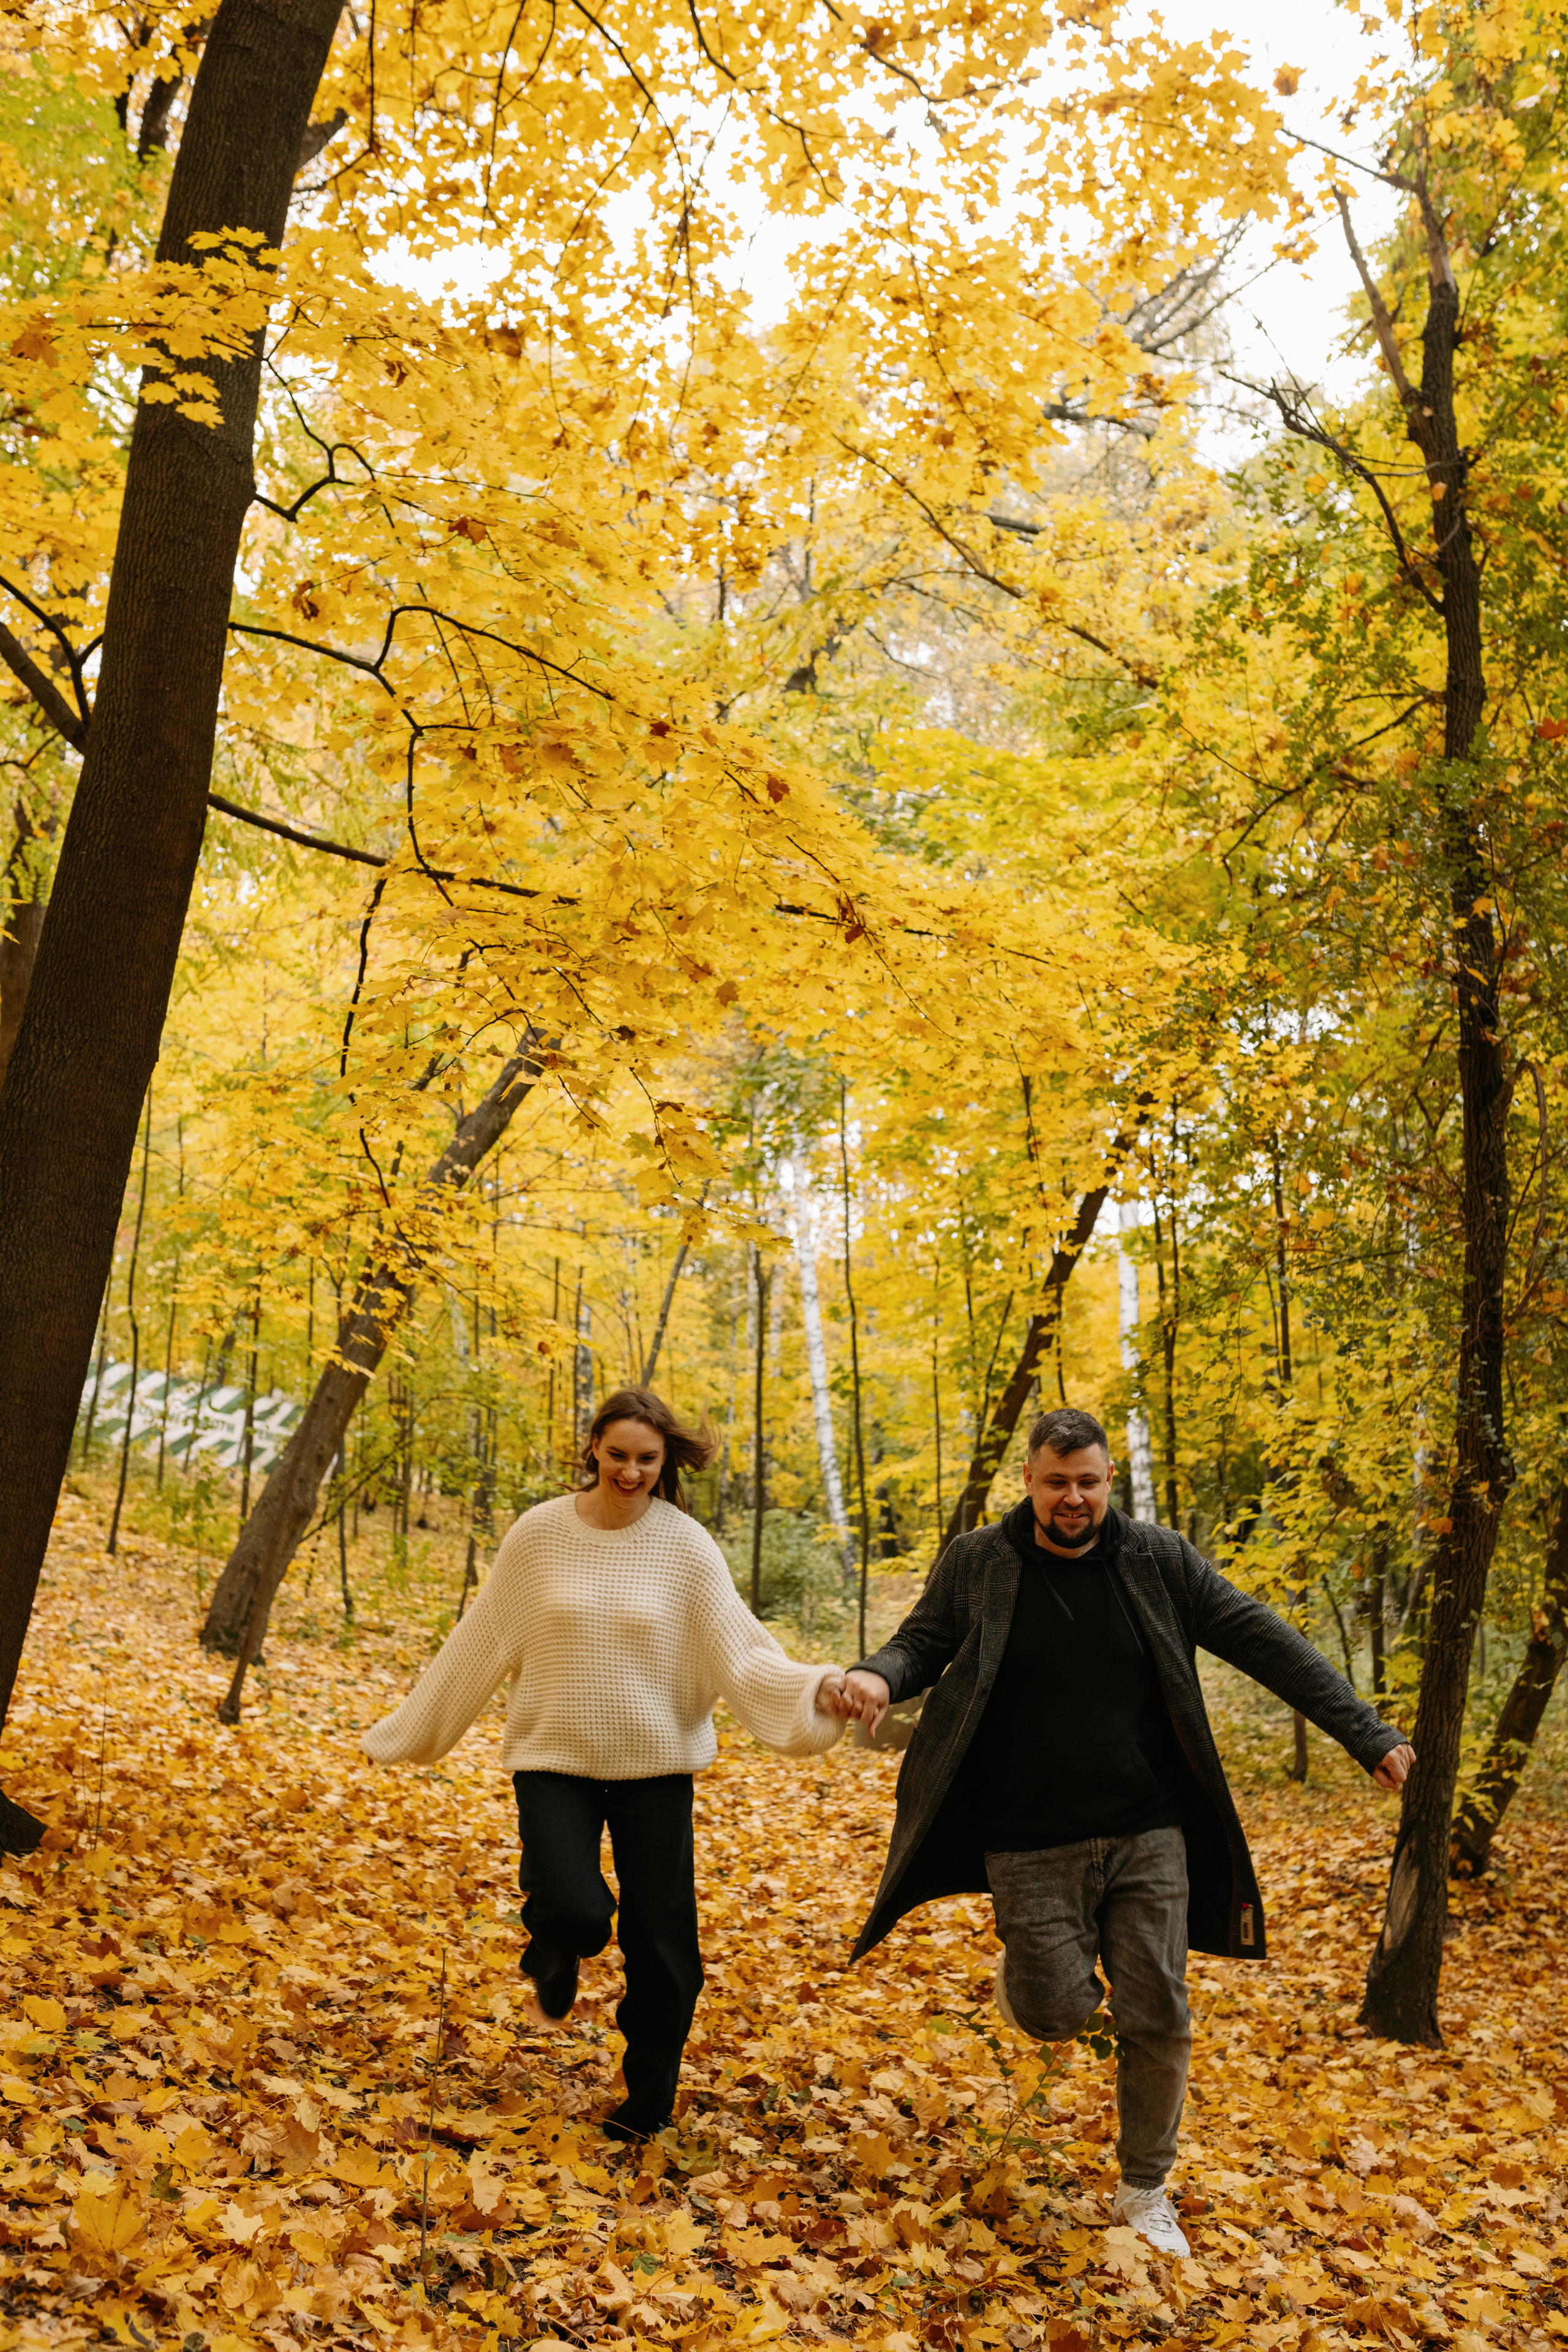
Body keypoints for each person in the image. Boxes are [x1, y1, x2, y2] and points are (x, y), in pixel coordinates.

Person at [830, 1406, 1413, 2256]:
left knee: (1158, 2009)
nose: (1074, 1498)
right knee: (1057, 2010)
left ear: (1110, 1482)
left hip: (1150, 1829)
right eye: (1057, 1481)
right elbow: (922, 1641)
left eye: (1089, 1482)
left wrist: (1366, 1731)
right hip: (1027, 1837)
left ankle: (1145, 2191)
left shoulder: (1157, 1561)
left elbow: (1261, 1637)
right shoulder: (980, 1563)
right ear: (1028, 1479)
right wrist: (877, 1677)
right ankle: (1035, 1977)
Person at [363, 1385, 846, 2141]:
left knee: (661, 1943)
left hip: (656, 1767)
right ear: (593, 1447)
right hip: (554, 1758)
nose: (630, 1472)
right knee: (572, 1908)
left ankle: (647, 2103)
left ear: (665, 1461)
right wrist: (411, 1729)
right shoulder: (539, 1533)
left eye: (646, 1460)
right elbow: (484, 1638)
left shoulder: (685, 1544)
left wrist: (818, 1689)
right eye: (617, 1455)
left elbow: (740, 1649)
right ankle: (554, 1954)